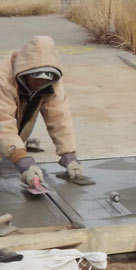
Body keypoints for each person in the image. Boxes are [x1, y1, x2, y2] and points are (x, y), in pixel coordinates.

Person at [0, 35, 84, 185]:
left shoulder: (50, 81)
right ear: (24, 73)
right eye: (36, 78)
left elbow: (59, 116)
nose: (40, 83)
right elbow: (3, 123)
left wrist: (68, 154)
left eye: (45, 79)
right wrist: (23, 160)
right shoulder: (3, 80)